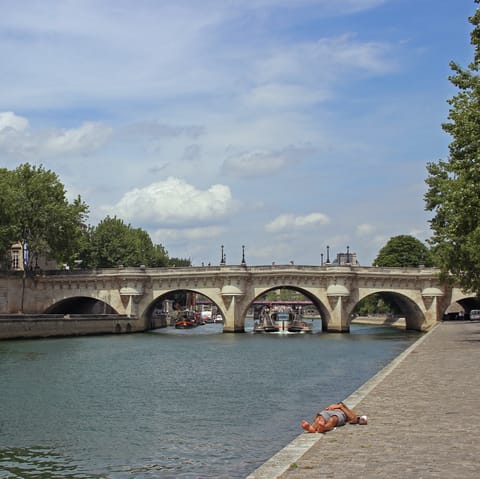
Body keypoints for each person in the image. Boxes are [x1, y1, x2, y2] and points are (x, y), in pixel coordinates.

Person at [301, 402, 368, 433]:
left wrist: (340, 407)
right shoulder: (334, 405)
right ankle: (312, 428)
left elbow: (353, 418)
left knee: (333, 419)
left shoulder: (345, 410)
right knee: (320, 417)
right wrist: (328, 409)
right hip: (327, 412)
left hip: (339, 414)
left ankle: (323, 428)